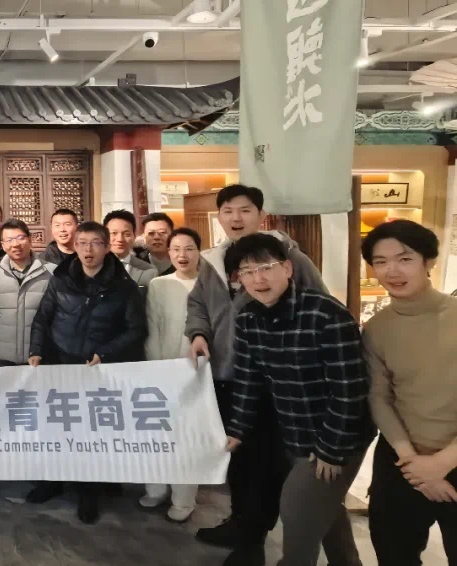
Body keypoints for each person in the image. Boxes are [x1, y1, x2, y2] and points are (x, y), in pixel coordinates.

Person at [185, 184, 328, 564]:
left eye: (245, 210)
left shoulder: (289, 257)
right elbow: (197, 303)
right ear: (219, 216)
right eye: (228, 210)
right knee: (238, 459)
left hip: (273, 381)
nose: (236, 218)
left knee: (265, 464)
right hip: (226, 375)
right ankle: (240, 522)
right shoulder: (213, 261)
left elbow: (322, 306)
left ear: (261, 216)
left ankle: (253, 540)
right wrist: (198, 334)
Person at [224, 234, 374, 566]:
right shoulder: (248, 318)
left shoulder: (326, 313)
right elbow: (249, 380)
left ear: (288, 268)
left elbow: (350, 389)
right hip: (295, 434)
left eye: (266, 267)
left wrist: (331, 449)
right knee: (323, 508)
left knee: (297, 511)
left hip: (341, 436)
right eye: (247, 271)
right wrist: (237, 429)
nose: (258, 279)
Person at [27, 220, 146, 524]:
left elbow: (136, 329)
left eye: (95, 243)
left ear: (107, 247)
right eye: (82, 243)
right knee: (55, 427)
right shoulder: (61, 279)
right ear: (75, 246)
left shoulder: (123, 286)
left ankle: (88, 492)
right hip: (61, 364)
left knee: (91, 433)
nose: (88, 250)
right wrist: (36, 350)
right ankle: (51, 481)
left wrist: (105, 353)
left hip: (97, 370)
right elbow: (43, 317)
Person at [361, 220, 457, 565]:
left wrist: (441, 464)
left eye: (404, 259)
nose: (392, 270)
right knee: (393, 553)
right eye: (381, 261)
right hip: (402, 458)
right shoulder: (376, 329)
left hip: (452, 453)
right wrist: (413, 463)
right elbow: (379, 397)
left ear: (429, 261)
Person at [139, 227, 202, 523]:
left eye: (189, 248)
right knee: (156, 431)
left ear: (199, 251)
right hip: (161, 369)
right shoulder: (158, 284)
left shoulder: (209, 285)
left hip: (195, 373)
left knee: (187, 437)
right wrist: (156, 367)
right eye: (176, 249)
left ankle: (184, 499)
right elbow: (152, 326)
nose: (182, 255)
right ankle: (155, 488)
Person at [0, 219, 55, 367]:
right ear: (2, 245)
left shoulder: (51, 272)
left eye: (20, 238)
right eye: (9, 240)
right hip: (2, 356)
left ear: (30, 239)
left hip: (39, 356)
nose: (16, 244)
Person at [103, 209, 158, 287]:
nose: (120, 239)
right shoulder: (92, 267)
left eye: (127, 234)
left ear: (134, 236)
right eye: (114, 233)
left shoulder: (149, 271)